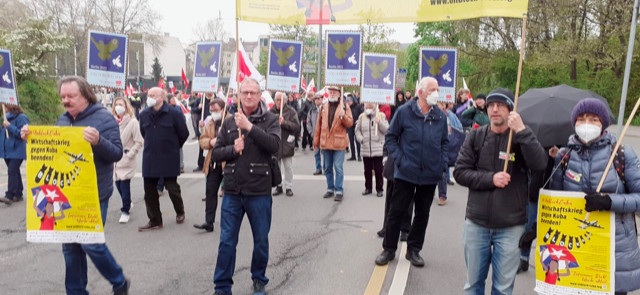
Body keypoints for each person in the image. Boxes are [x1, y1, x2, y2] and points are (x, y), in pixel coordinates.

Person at [21, 76, 130, 294]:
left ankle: (119, 281)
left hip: (94, 193)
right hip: (67, 192)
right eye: (62, 96)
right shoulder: (62, 120)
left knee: (91, 244)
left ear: (86, 95)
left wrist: (98, 141)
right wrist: (30, 137)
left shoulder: (104, 119)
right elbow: (53, 152)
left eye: (71, 96)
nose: (65, 101)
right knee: (70, 247)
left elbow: (117, 154)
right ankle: (75, 290)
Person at [454, 88, 547, 294]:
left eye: (501, 105)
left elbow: (540, 163)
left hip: (511, 227)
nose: (495, 109)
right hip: (477, 224)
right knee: (472, 286)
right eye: (491, 105)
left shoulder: (520, 137)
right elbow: (460, 172)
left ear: (510, 110)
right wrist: (491, 179)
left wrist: (523, 131)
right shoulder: (476, 136)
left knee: (503, 288)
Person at [550, 98, 640, 295]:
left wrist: (610, 202)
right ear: (574, 124)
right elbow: (555, 203)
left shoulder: (622, 154)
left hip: (615, 250)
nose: (586, 124)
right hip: (577, 247)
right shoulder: (564, 156)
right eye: (581, 119)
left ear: (603, 124)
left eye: (593, 119)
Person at [211, 78, 280, 295]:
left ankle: (259, 279)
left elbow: (275, 145)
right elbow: (216, 153)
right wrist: (233, 149)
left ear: (260, 95)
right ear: (239, 95)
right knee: (226, 242)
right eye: (245, 92)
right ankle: (222, 286)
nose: (248, 96)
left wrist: (249, 127)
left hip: (259, 191)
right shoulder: (230, 122)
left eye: (253, 92)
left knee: (260, 240)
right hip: (232, 190)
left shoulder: (270, 120)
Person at [374, 77, 449, 267]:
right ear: (421, 92)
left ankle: (414, 250)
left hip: (430, 175)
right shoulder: (404, 112)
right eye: (432, 89)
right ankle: (389, 249)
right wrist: (400, 161)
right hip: (406, 172)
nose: (436, 93)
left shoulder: (440, 116)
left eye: (437, 89)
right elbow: (391, 138)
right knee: (396, 211)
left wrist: (442, 164)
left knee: (422, 214)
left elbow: (444, 143)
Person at [138, 87, 189, 232]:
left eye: (153, 95)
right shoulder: (144, 114)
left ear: (162, 97)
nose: (150, 97)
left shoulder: (174, 113)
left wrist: (173, 146)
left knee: (172, 187)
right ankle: (155, 220)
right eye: (148, 95)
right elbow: (144, 132)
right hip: (150, 157)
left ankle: (180, 211)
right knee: (149, 191)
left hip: (169, 156)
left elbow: (183, 133)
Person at [313, 85, 353, 201]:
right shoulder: (323, 107)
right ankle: (330, 188)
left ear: (339, 94)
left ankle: (339, 190)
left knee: (338, 167)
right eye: (331, 92)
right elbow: (318, 126)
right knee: (327, 168)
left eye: (335, 92)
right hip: (325, 142)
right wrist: (316, 142)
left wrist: (343, 116)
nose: (333, 93)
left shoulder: (344, 106)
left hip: (339, 143)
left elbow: (350, 123)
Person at [194, 98, 227, 232]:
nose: (213, 112)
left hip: (228, 163)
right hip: (213, 163)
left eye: (216, 110)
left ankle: (229, 222)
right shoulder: (210, 123)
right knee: (210, 192)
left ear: (223, 109)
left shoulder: (232, 121)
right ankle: (209, 222)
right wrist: (210, 142)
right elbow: (202, 140)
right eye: (211, 110)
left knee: (230, 195)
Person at [112, 97, 143, 224]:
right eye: (116, 104)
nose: (118, 107)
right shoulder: (112, 122)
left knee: (124, 184)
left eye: (121, 104)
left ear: (126, 107)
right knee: (118, 184)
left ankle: (125, 210)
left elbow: (139, 141)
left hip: (126, 157)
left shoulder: (133, 122)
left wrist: (131, 153)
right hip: (114, 158)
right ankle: (128, 202)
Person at [355, 103, 388, 197]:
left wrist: (380, 123)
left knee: (378, 170)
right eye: (367, 107)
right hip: (366, 147)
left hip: (378, 147)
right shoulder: (362, 117)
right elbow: (357, 130)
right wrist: (361, 139)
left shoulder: (381, 115)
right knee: (367, 170)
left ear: (374, 108)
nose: (368, 109)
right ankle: (368, 188)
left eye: (370, 107)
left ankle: (379, 189)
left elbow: (387, 130)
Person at [270, 92, 300, 197]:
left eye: (281, 100)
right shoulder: (271, 111)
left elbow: (296, 126)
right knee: (276, 167)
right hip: (275, 142)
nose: (279, 102)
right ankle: (278, 186)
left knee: (288, 166)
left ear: (285, 101)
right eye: (277, 99)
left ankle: (289, 186)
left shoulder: (291, 111)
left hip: (287, 142)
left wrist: (284, 123)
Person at [435, 101, 463, 206]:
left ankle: (442, 196)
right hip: (431, 146)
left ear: (443, 105)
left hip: (444, 146)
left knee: (442, 170)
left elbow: (459, 127)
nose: (437, 106)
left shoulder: (449, 115)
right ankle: (430, 191)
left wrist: (452, 136)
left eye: (439, 104)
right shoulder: (430, 113)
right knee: (429, 170)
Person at [0, 104, 28, 204]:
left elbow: (23, 134)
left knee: (12, 170)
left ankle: (9, 195)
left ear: (10, 107)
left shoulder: (22, 118)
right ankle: (18, 193)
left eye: (5, 106)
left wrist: (9, 126)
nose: (4, 108)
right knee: (14, 171)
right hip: (7, 150)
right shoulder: (5, 118)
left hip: (17, 149)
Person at [307, 94, 323, 175]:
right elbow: (308, 122)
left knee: (325, 154)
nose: (316, 100)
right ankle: (318, 168)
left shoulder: (325, 109)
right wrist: (311, 132)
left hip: (324, 136)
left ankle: (326, 168)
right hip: (315, 136)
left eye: (318, 98)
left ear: (322, 99)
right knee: (316, 153)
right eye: (315, 99)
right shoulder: (311, 110)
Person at [346, 95, 363, 161]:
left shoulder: (358, 106)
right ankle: (353, 155)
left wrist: (358, 120)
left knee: (357, 141)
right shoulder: (347, 107)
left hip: (356, 125)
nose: (348, 103)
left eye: (349, 101)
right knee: (351, 141)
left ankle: (359, 155)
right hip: (350, 125)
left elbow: (361, 114)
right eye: (347, 101)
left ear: (352, 101)